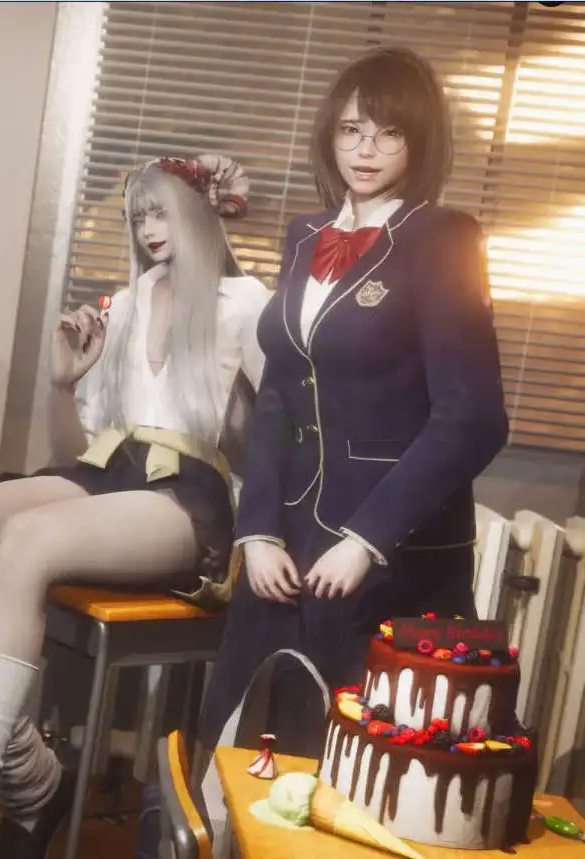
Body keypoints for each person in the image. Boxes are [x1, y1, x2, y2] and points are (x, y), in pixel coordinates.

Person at [0, 155, 269, 858]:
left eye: (161, 211)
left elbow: (285, 432)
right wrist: (61, 384)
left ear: (201, 211)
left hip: (188, 496)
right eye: (138, 216)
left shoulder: (246, 303)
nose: (148, 228)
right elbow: (76, 448)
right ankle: (28, 770)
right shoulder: (127, 304)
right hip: (112, 470)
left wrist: (268, 535)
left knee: (25, 541)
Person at [198, 45, 509, 771]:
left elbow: (472, 418)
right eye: (350, 130)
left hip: (386, 550)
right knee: (244, 745)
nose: (365, 149)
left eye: (388, 132)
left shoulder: (445, 238)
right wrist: (256, 529)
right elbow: (279, 392)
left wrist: (367, 539)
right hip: (285, 543)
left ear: (420, 140)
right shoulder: (306, 234)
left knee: (351, 767)